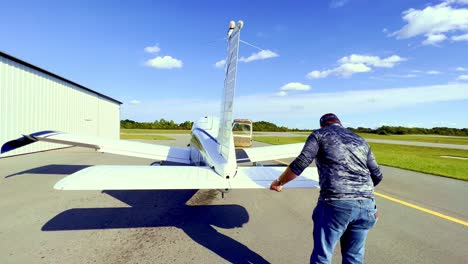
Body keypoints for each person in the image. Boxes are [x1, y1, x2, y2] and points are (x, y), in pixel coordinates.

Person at [270, 113, 383, 264]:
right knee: (354, 257)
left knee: (322, 255)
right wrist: (362, 194)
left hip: (335, 203)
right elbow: (377, 174)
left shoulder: (319, 135)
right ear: (340, 123)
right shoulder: (360, 140)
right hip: (367, 206)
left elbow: (301, 162)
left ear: (322, 125)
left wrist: (279, 182)